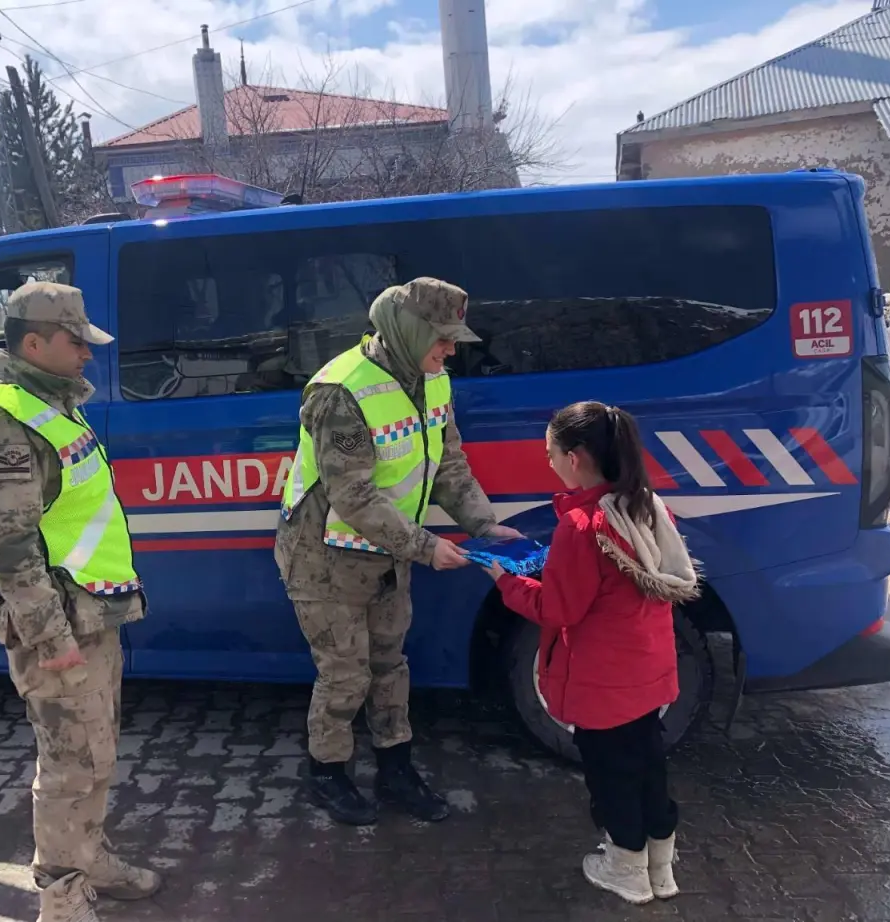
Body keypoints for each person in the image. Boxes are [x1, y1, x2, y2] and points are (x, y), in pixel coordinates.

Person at [276, 277, 523, 827]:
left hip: (387, 554)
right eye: (443, 338)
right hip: (326, 556)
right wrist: (426, 547)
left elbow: (449, 465)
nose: (451, 351)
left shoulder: (433, 381)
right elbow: (352, 494)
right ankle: (328, 774)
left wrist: (484, 525)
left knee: (389, 666)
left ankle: (396, 769)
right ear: (409, 331)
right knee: (345, 673)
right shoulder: (340, 390)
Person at [0, 281, 161, 922]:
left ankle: (90, 859)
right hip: (59, 626)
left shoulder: (50, 405)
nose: (88, 356)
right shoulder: (6, 424)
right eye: (77, 343)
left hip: (89, 613)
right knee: (70, 763)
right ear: (34, 342)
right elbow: (9, 547)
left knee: (95, 752)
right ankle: (62, 898)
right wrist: (52, 640)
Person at [482, 401, 699, 905]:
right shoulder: (646, 506)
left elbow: (559, 609)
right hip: (648, 673)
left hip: (603, 685)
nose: (550, 462)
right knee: (648, 764)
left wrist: (504, 581)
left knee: (610, 775)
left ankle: (625, 869)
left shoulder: (581, 528)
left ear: (575, 457)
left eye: (551, 452)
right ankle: (660, 867)